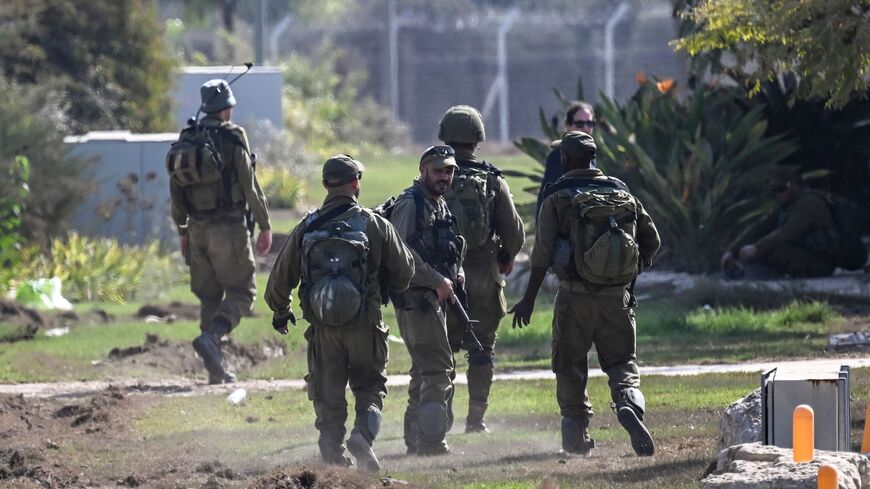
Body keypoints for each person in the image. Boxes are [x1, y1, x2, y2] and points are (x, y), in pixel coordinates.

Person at [510, 131, 661, 457]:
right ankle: (627, 401)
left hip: (574, 297)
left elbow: (541, 255)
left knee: (569, 365)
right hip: (616, 299)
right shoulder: (622, 193)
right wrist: (627, 274)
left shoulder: (557, 197)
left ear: (564, 159)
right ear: (594, 157)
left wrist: (528, 299)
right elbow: (653, 241)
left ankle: (576, 435)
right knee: (622, 362)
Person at [264, 155, 415, 471]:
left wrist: (282, 310)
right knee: (370, 388)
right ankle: (362, 436)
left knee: (328, 394)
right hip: (365, 325)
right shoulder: (375, 224)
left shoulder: (307, 226)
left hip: (323, 329)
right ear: (356, 183)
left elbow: (279, 280)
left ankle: (332, 456)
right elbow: (404, 273)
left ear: (325, 185)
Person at [167, 78, 272, 384]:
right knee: (242, 291)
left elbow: (176, 192)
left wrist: (182, 231)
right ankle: (213, 337)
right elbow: (250, 186)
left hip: (197, 229)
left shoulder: (187, 138)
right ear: (226, 109)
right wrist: (265, 225)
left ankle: (215, 369)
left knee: (209, 297)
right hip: (228, 228)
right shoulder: (233, 136)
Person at [438, 105, 525, 433]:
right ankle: (475, 420)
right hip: (485, 277)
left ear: (445, 135)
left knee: (441, 349)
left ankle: (440, 415)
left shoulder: (435, 176)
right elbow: (515, 233)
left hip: (444, 279)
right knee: (482, 349)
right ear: (478, 139)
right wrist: (506, 254)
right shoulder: (492, 179)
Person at [388, 145, 465, 455]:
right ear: (423, 170)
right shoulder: (411, 204)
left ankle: (415, 440)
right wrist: (437, 281)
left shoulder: (439, 203)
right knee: (437, 369)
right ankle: (431, 444)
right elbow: (401, 255)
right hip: (417, 300)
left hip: (436, 298)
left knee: (425, 369)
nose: (444, 176)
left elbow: (450, 244)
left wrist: (456, 273)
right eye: (438, 170)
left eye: (449, 171)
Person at [721, 166, 840, 279]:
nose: (778, 194)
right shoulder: (786, 206)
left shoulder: (810, 203)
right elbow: (760, 227)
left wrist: (757, 249)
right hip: (804, 255)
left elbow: (787, 232)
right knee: (763, 246)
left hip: (820, 263)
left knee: (772, 249)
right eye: (774, 190)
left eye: (781, 189)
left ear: (793, 185)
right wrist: (733, 251)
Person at [536, 101, 596, 220]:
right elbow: (547, 196)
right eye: (579, 123)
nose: (585, 128)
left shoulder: (590, 154)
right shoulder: (558, 156)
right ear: (568, 125)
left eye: (589, 123)